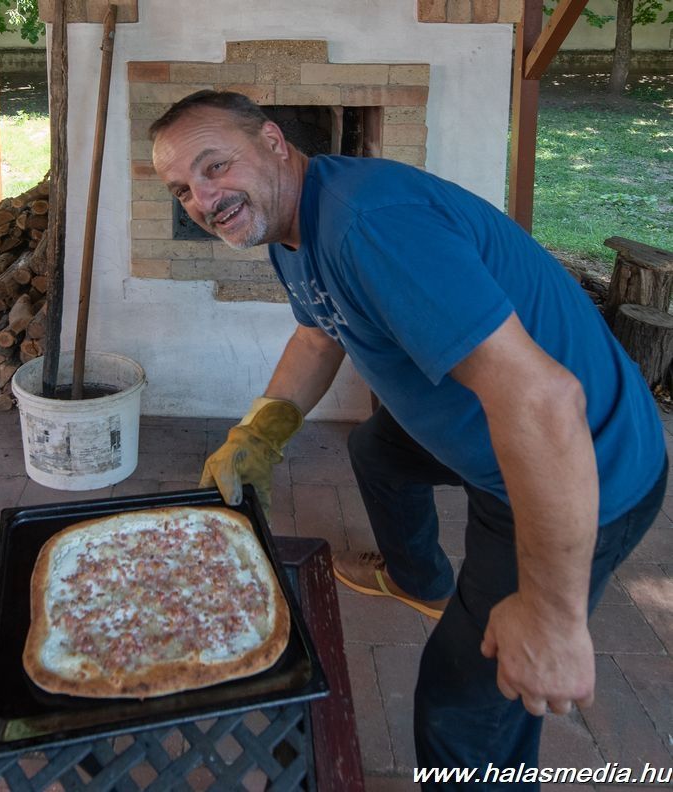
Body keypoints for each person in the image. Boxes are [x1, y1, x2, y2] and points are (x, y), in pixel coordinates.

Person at [149, 90, 667, 784]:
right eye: (183, 190)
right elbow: (318, 333)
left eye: (215, 167)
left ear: (272, 141)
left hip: (573, 467)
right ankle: (417, 578)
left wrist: (551, 616)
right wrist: (261, 433)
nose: (204, 199)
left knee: (461, 713)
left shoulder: (370, 226)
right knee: (376, 452)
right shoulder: (292, 220)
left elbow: (544, 403)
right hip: (495, 429)